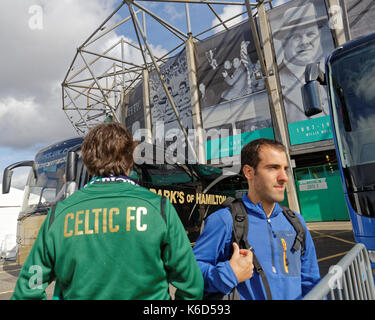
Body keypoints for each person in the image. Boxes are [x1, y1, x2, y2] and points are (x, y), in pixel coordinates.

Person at [11, 122, 203, 300]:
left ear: (87, 162)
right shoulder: (158, 207)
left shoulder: (59, 214)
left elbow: (26, 292)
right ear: (130, 160)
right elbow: (192, 285)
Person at [193, 138, 320, 300]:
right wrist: (226, 274)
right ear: (249, 172)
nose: (284, 177)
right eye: (273, 168)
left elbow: (312, 282)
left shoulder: (296, 222)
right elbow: (192, 272)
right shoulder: (224, 220)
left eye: (285, 169)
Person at [274, 3, 329, 123]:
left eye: (310, 34)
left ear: (318, 36)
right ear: (283, 42)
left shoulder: (329, 71)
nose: (305, 42)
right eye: (296, 37)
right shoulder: (275, 84)